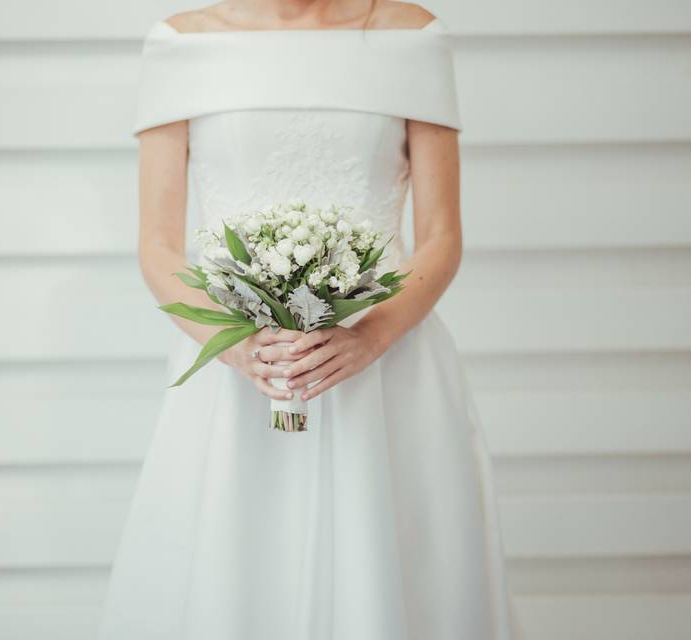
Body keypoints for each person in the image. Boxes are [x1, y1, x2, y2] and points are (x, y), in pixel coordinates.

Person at [96, 2, 521, 638]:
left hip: (388, 365)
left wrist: (367, 338)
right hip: (235, 369)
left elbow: (440, 236)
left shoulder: (414, 39)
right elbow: (157, 247)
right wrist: (239, 348)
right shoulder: (181, 44)